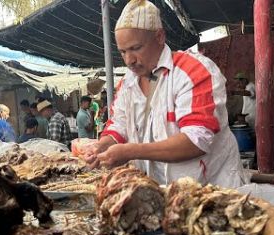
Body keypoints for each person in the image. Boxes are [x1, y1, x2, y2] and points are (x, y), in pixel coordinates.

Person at [84, 0, 248, 189]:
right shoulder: (128, 83)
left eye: (136, 48)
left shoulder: (194, 71)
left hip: (210, 191)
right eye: (123, 51)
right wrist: (102, 146)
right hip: (160, 193)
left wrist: (131, 151)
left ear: (160, 37)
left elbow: (196, 140)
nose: (129, 60)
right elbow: (118, 126)